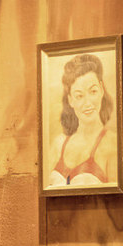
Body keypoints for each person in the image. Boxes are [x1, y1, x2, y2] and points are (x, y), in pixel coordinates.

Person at [47, 54, 116, 187]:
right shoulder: (58, 144)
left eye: (93, 91)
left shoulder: (112, 144)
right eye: (79, 96)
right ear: (70, 100)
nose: (87, 103)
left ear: (101, 90)